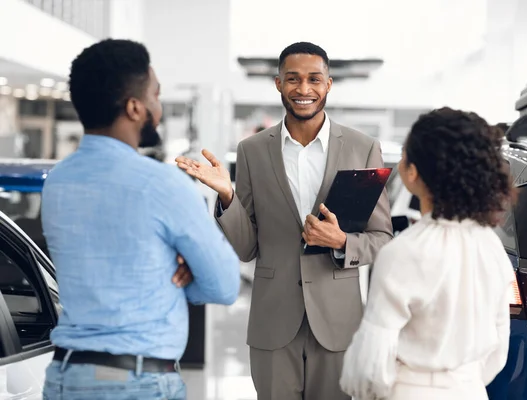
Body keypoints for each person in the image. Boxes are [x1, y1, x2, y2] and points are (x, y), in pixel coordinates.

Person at [176, 42, 393, 400]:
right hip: (273, 322)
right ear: (278, 83)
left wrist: (342, 242)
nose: (303, 89)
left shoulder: (362, 147)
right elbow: (247, 248)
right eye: (293, 79)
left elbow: (382, 237)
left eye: (314, 79)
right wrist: (227, 195)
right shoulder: (252, 151)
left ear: (329, 84)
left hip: (338, 322)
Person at [41, 39, 240, 400]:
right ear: (135, 107)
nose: (158, 107)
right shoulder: (163, 184)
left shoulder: (57, 180)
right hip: (134, 382)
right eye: (156, 96)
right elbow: (224, 285)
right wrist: (187, 273)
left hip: (64, 378)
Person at [339, 107, 517, 400]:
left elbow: (370, 365)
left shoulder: (403, 252)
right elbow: (498, 347)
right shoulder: (491, 245)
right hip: (470, 390)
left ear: (413, 173)